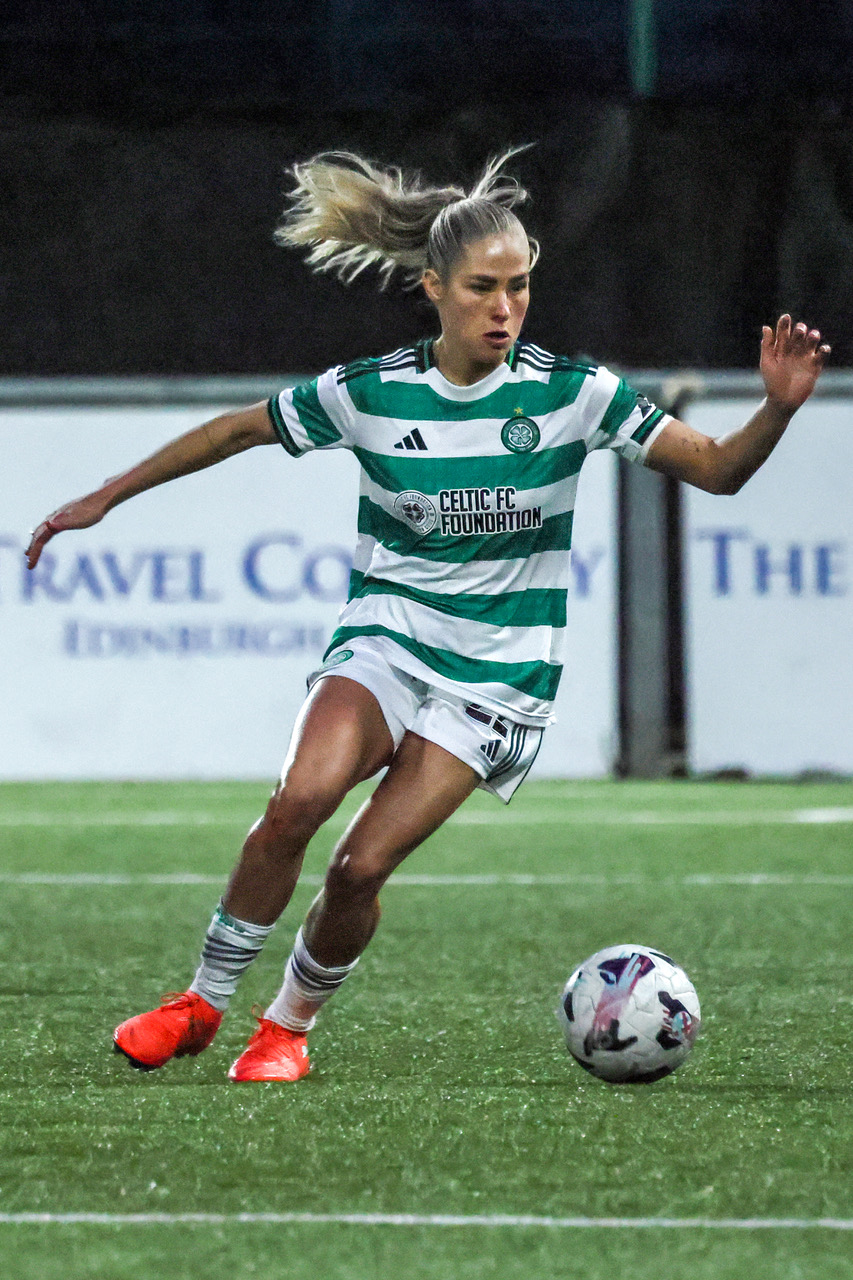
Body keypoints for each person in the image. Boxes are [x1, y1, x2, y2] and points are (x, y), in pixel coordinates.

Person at [26, 150, 830, 1083]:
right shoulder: (372, 391)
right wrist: (106, 496)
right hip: (387, 637)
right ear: (433, 288)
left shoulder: (575, 395)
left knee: (358, 870)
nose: (503, 308)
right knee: (299, 801)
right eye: (482, 287)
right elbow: (235, 429)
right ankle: (200, 1002)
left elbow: (718, 469)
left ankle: (285, 1029)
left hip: (497, 678)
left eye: (518, 287)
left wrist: (775, 411)